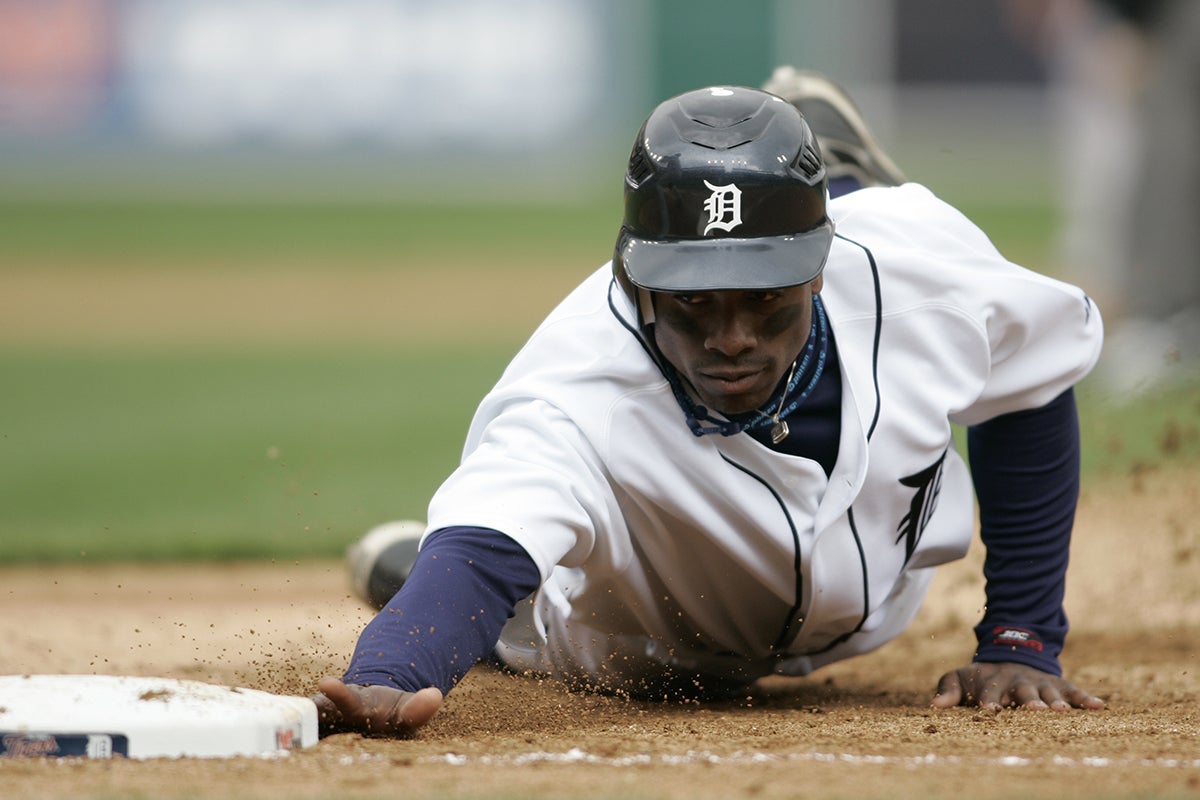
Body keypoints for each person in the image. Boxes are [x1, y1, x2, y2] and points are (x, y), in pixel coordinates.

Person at [313, 71, 1107, 738]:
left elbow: (1032, 377)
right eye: (693, 301)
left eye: (767, 298)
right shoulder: (575, 393)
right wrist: (390, 673)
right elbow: (482, 552)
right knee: (513, 623)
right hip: (640, 646)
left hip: (880, 590)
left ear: (821, 269)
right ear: (633, 281)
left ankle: (841, 185)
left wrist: (1021, 635)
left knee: (902, 242)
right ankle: (397, 566)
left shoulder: (918, 279)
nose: (731, 337)